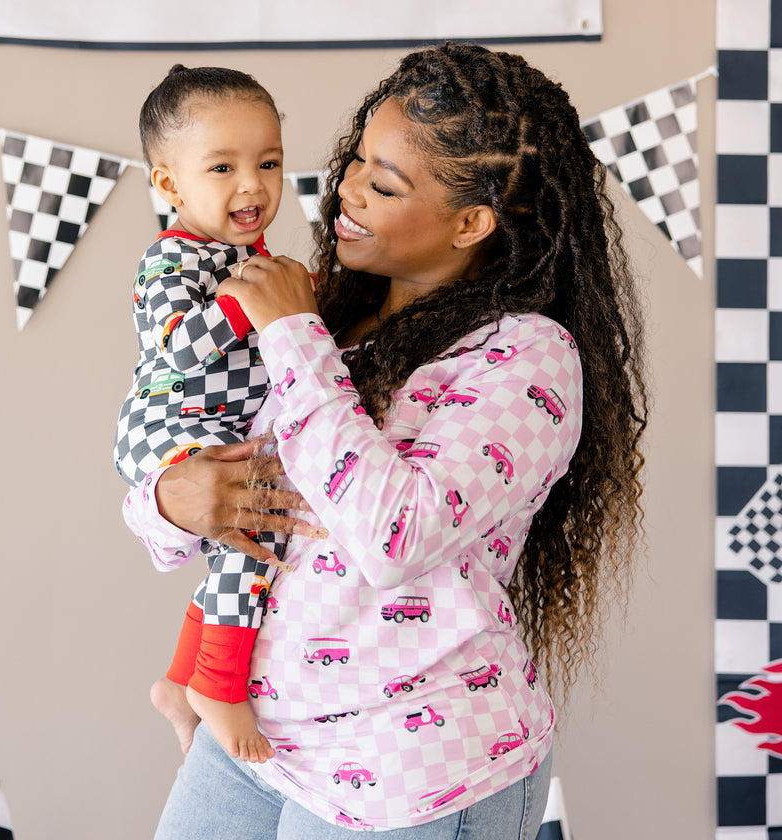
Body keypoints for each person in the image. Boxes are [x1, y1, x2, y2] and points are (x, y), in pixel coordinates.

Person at [123, 43, 648, 838]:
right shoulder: (331, 310)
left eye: (384, 182)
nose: (346, 191)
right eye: (358, 160)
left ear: (472, 221)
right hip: (262, 738)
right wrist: (169, 500)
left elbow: (395, 534)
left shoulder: (527, 357)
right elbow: (183, 419)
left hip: (410, 770)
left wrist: (294, 335)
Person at [115, 64, 312, 763]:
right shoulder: (173, 259)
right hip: (168, 423)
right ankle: (218, 686)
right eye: (223, 167)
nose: (253, 185)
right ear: (169, 185)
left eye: (269, 162)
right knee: (253, 535)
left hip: (210, 426)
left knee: (247, 539)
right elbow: (180, 348)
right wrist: (249, 296)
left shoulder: (243, 254)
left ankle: (178, 681)